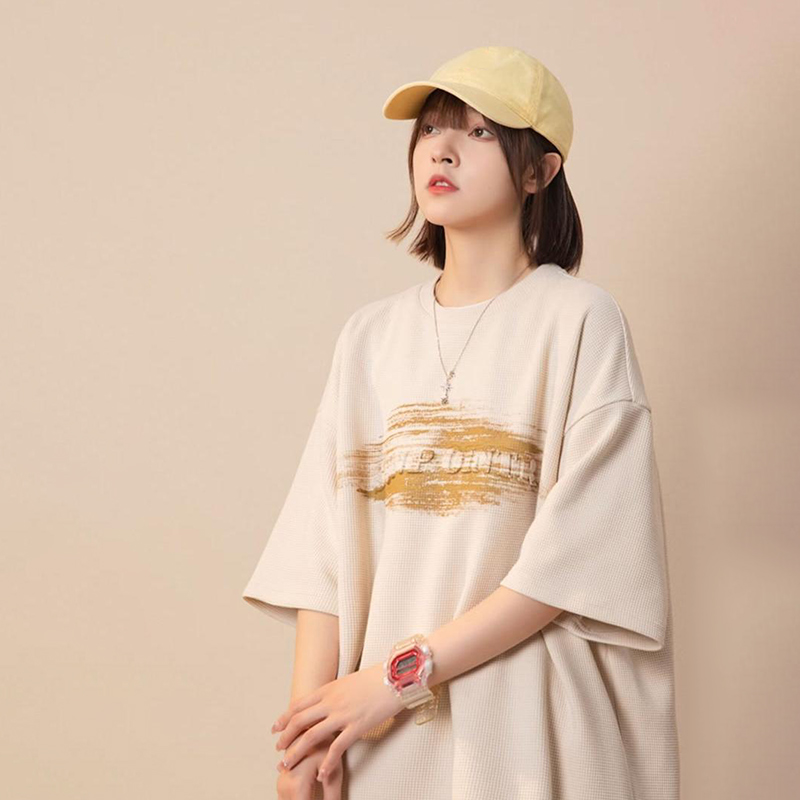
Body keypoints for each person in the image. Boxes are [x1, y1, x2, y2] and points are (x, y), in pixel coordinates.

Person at [242, 45, 680, 800]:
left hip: (526, 722)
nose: (441, 149)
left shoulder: (579, 320)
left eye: (480, 132)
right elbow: (324, 549)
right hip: (374, 730)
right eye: (431, 129)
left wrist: (396, 678)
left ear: (539, 172)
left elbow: (576, 559)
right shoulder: (370, 336)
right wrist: (305, 739)